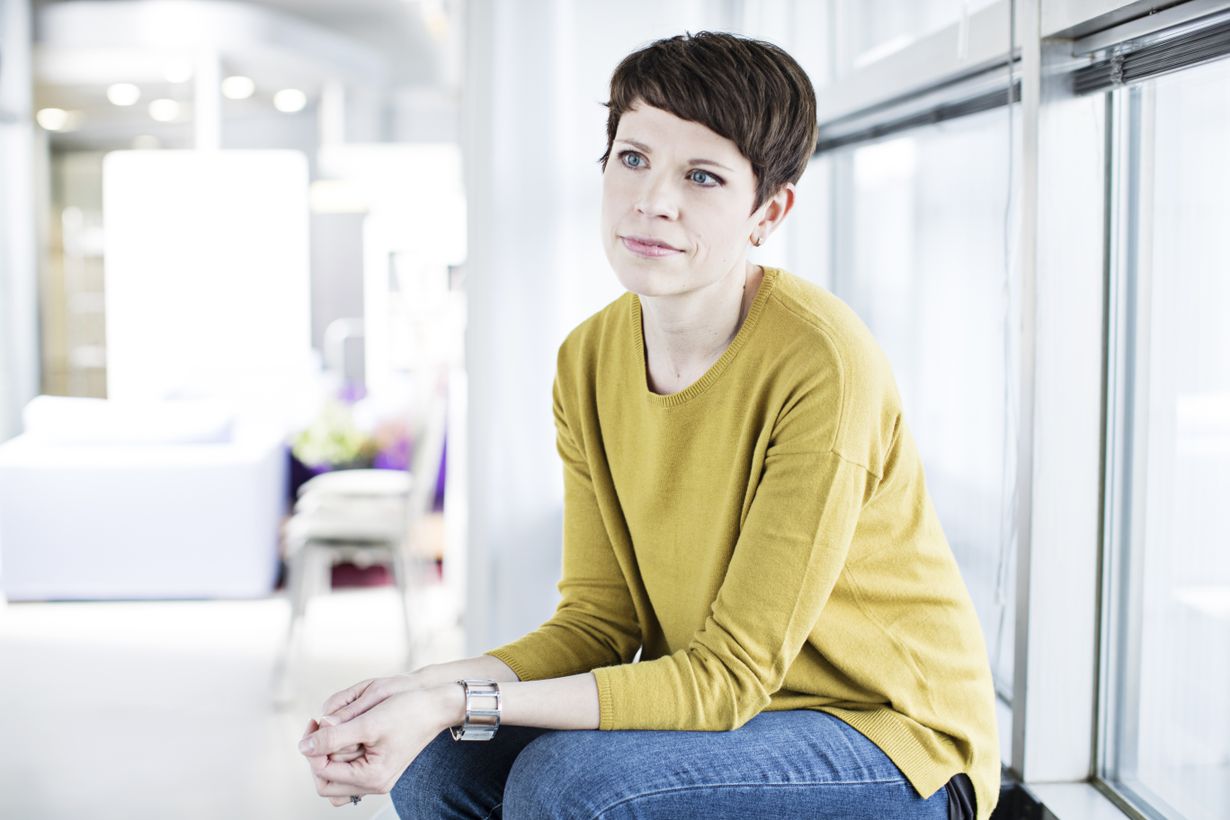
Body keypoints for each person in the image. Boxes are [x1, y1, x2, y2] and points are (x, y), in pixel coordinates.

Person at [297, 30, 999, 820]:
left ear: (768, 211)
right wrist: (418, 693)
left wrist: (462, 700)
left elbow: (727, 679)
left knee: (564, 783)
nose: (653, 200)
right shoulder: (589, 358)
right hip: (728, 718)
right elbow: (598, 623)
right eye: (633, 158)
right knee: (435, 767)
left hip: (890, 740)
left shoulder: (822, 363)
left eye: (702, 176)